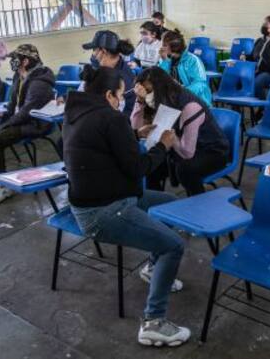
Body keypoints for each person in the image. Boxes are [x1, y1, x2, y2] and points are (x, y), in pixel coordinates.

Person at [63, 64, 190, 347]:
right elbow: (138, 168)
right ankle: (154, 322)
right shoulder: (110, 117)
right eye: (121, 95)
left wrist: (135, 135)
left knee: (171, 206)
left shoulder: (76, 113)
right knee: (173, 246)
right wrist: (163, 145)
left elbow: (99, 145)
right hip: (103, 210)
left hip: (102, 198)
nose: (123, 100)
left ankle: (152, 269)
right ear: (109, 95)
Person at [0, 44, 55, 205]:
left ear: (25, 61)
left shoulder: (39, 83)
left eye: (15, 59)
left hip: (35, 123)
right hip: (19, 120)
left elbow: (26, 113)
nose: (12, 62)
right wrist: (0, 123)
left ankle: (3, 185)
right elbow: (12, 106)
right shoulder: (19, 76)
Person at [132, 67, 230, 196]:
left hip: (213, 151)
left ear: (160, 88)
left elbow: (187, 152)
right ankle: (156, 202)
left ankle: (197, 203)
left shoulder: (189, 106)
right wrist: (139, 101)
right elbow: (136, 127)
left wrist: (171, 138)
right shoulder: (163, 99)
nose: (146, 96)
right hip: (182, 144)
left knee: (185, 169)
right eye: (143, 92)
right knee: (151, 162)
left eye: (148, 91)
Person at [83, 30, 136, 116]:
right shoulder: (109, 70)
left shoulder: (121, 78)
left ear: (103, 52)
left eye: (94, 50)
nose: (93, 55)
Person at [158, 30, 212, 107]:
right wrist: (165, 62)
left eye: (164, 45)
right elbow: (160, 80)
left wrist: (181, 93)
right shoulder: (165, 59)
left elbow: (200, 85)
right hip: (174, 99)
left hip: (195, 101)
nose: (161, 48)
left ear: (174, 47)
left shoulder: (193, 60)